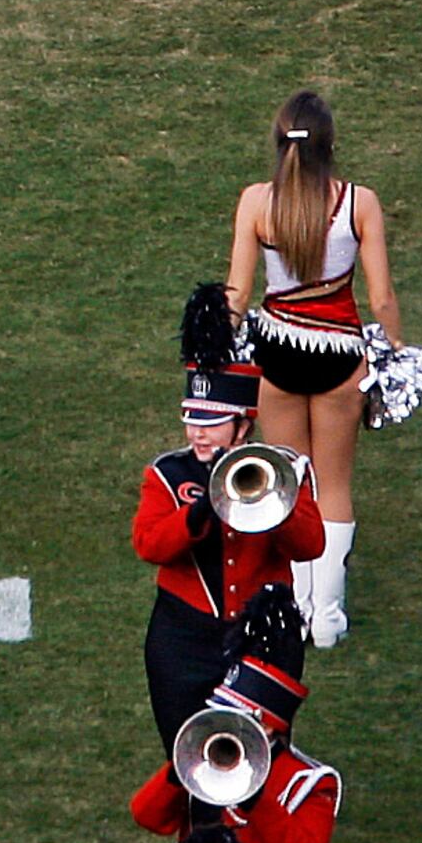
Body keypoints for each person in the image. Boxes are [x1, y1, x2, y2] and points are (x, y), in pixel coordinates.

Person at [220, 93, 401, 644]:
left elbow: (238, 291)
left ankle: (294, 609)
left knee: (289, 481)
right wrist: (393, 351)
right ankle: (327, 616)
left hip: (277, 353)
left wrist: (216, 351)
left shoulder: (256, 202)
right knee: (334, 486)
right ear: (331, 145)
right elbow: (383, 296)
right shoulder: (357, 203)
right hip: (339, 354)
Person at [127, 592, 334, 843]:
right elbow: (147, 815)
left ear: (272, 730)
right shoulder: (201, 763)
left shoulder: (310, 781)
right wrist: (184, 763)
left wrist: (254, 791)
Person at [135, 289, 324, 734]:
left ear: (243, 423)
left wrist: (277, 498)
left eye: (212, 422)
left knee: (261, 754)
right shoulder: (167, 473)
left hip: (263, 636)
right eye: (191, 419)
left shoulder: (285, 469)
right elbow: (148, 545)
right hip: (184, 638)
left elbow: (310, 545)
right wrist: (201, 512)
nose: (197, 434)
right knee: (190, 758)